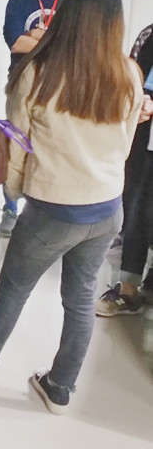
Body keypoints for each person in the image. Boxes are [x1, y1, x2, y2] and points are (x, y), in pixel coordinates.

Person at [0, 0, 144, 415]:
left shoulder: (37, 71)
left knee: (13, 288)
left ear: (66, 15)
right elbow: (125, 145)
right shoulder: (128, 74)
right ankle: (60, 388)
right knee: (81, 299)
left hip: (53, 210)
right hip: (107, 208)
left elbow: (17, 146)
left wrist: (15, 193)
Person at [0, 0, 68, 237]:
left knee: (50, 148)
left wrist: (38, 36)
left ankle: (41, 209)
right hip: (21, 84)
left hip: (59, 88)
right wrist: (53, 40)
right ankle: (9, 207)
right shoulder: (19, 1)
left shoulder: (72, 2)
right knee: (15, 143)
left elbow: (72, 46)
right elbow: (16, 43)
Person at [96, 24, 153, 316]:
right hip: (144, 143)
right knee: (136, 212)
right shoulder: (149, 35)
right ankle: (127, 290)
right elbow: (131, 82)